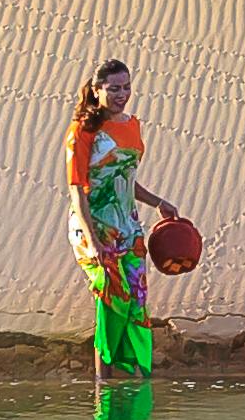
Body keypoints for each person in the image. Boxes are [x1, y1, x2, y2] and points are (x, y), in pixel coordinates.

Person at [70, 59, 176, 383]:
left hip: (129, 229)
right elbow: (77, 190)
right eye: (114, 88)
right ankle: (104, 382)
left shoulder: (133, 126)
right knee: (112, 298)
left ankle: (139, 380)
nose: (122, 94)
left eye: (126, 87)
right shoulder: (83, 132)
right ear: (97, 89)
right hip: (94, 227)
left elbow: (126, 181)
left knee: (137, 303)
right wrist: (94, 241)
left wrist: (157, 202)